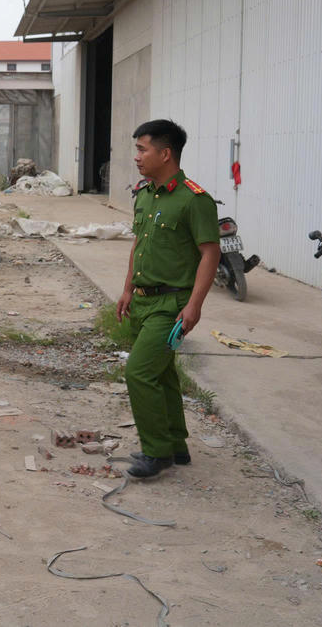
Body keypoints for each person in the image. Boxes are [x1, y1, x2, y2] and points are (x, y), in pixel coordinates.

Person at [116, 119, 221, 479]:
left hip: (171, 305)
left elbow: (210, 253)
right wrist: (128, 288)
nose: (136, 157)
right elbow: (139, 243)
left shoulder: (194, 200)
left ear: (165, 154)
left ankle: (156, 452)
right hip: (143, 300)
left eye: (142, 149)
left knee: (139, 372)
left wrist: (195, 305)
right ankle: (176, 445)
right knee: (161, 374)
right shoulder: (146, 194)